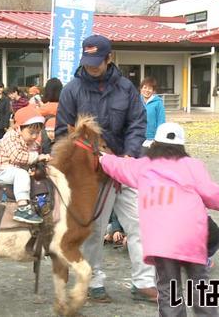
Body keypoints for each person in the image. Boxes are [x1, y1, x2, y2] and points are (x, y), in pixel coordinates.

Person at [99, 122, 219, 316]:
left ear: (154, 145)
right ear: (181, 146)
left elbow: (119, 165)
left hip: (162, 242)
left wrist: (101, 157)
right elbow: (213, 194)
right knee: (200, 286)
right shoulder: (193, 166)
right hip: (192, 237)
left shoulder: (143, 166)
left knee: (169, 292)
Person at [55, 34, 156, 303]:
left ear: (110, 58)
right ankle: (94, 280)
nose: (92, 67)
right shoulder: (71, 90)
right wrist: (90, 155)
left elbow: (137, 123)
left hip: (124, 165)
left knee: (142, 221)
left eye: (97, 62)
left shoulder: (126, 88)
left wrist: (127, 155)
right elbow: (60, 134)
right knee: (94, 227)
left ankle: (144, 282)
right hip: (90, 172)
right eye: (87, 62)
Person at [0, 106, 50, 224]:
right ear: (18, 128)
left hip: (14, 170)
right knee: (21, 174)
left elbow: (30, 159)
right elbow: (17, 156)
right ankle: (22, 207)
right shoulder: (10, 137)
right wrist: (37, 157)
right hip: (2, 171)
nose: (34, 136)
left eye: (37, 133)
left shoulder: (31, 142)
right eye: (31, 132)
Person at [139, 77, 165, 154]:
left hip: (151, 138)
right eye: (145, 87)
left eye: (150, 88)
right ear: (141, 89)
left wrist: (157, 138)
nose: (147, 90)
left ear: (153, 91)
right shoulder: (136, 101)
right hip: (138, 137)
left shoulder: (158, 103)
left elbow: (161, 121)